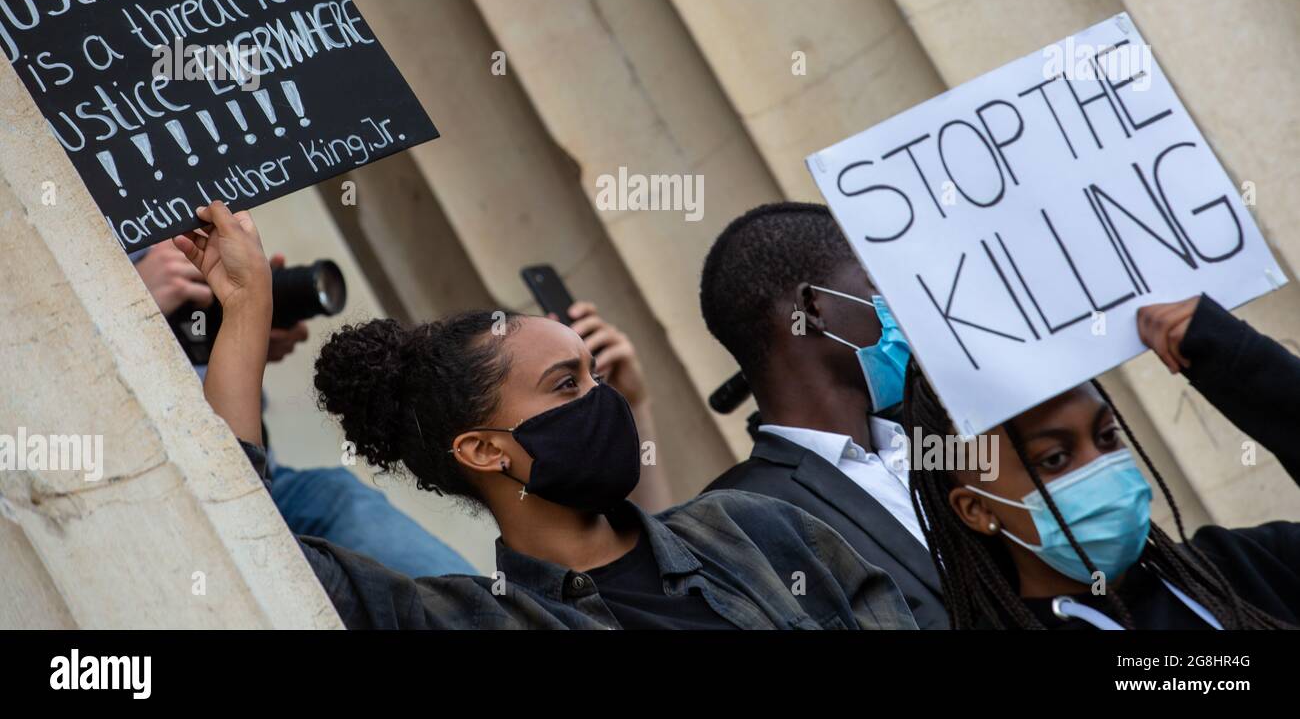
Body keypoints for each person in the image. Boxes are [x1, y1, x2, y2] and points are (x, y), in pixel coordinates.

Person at [175, 201, 917, 630]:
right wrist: (243, 312)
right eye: (567, 385)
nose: (602, 400)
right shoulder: (467, 618)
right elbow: (239, 536)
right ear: (485, 450)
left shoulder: (756, 529)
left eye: (598, 378)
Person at [904, 294, 1300, 629]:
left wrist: (1245, 364)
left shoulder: (1239, 568)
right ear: (976, 508)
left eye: (1107, 437)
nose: (1100, 465)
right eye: (1055, 459)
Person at [131, 238, 475, 577]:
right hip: (152, 490)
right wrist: (127, 300)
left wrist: (244, 333)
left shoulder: (163, 217)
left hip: (266, 479)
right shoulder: (99, 246)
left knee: (343, 499)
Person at [699, 203, 947, 628]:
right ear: (812, 308)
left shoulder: (939, 444)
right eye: (874, 283)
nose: (893, 305)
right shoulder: (741, 517)